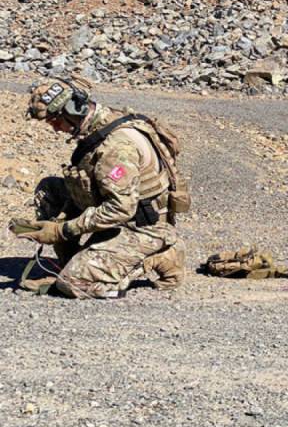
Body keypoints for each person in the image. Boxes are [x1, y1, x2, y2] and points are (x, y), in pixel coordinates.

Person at [18, 77, 188, 298]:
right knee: (49, 189)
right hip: (120, 214)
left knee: (73, 283)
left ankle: (161, 255)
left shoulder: (115, 147)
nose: (56, 129)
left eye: (56, 121)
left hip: (143, 228)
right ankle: (77, 259)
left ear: (73, 111)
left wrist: (63, 230)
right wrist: (62, 217)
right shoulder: (105, 121)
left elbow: (120, 209)